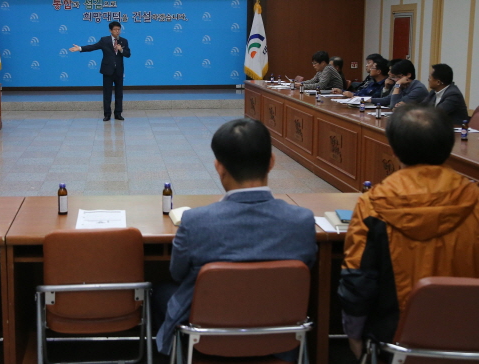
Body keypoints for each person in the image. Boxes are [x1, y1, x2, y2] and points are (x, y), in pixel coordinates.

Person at [154, 118, 317, 358]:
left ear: (219, 167)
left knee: (161, 291)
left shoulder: (195, 222)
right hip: (279, 335)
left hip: (208, 339)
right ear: (272, 162)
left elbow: (177, 273)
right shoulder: (302, 221)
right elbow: (307, 269)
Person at [338, 104, 479, 359]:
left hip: (393, 344)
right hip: (469, 340)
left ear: (392, 150)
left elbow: (358, 279)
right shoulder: (475, 201)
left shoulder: (372, 205)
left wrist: (354, 335)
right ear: (450, 146)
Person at [69, 21, 131, 121]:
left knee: (119, 93)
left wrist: (121, 50)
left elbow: (128, 54)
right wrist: (80, 48)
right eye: (115, 29)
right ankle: (107, 114)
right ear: (110, 30)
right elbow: (93, 47)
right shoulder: (104, 40)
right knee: (107, 94)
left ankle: (118, 113)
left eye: (119, 29)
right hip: (107, 71)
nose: (117, 31)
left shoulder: (124, 41)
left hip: (119, 71)